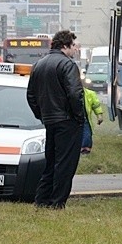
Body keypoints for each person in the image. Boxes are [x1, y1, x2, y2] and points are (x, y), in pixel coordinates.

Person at [26, 30, 85, 209]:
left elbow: (30, 96)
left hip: (49, 120)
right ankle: (57, 202)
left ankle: (41, 199)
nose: (75, 50)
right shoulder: (68, 65)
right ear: (65, 46)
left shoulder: (38, 64)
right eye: (74, 46)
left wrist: (42, 115)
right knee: (65, 164)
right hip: (67, 121)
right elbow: (75, 94)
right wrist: (79, 116)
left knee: (50, 161)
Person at [81, 87, 104, 154]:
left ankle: (85, 148)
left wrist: (99, 115)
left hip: (84, 118)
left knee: (87, 133)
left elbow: (96, 105)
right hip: (72, 119)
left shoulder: (90, 93)